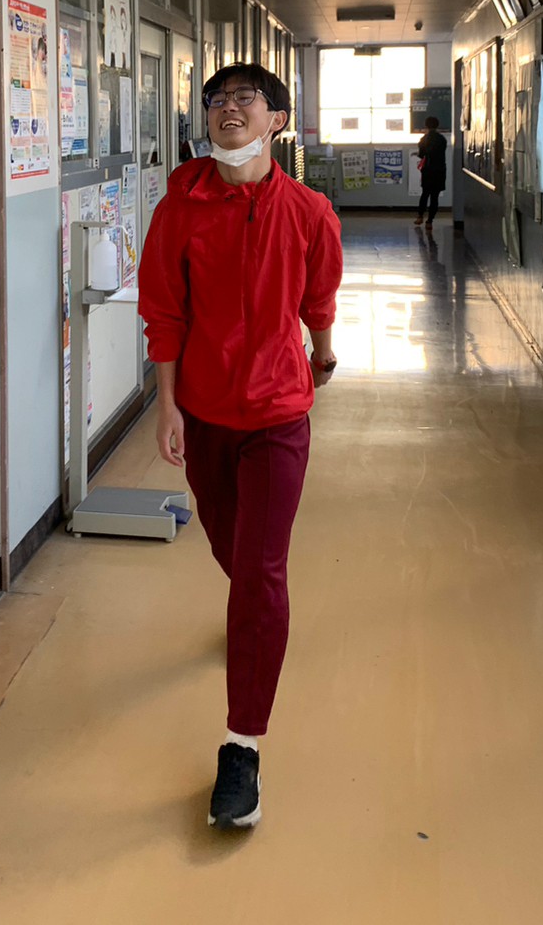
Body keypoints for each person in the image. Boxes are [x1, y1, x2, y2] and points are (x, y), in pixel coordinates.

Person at [138, 62, 343, 832]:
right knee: (230, 547)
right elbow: (163, 310)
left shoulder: (308, 211)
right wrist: (167, 405)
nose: (227, 109)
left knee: (258, 568)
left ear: (275, 119)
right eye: (216, 100)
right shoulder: (180, 209)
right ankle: (255, 615)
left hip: (278, 415)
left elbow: (317, 295)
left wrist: (321, 351)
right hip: (205, 413)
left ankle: (241, 747)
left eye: (244, 99)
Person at [414, 115, 448, 230]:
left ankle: (420, 217)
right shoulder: (442, 139)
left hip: (428, 170)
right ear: (437, 125)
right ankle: (429, 221)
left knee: (425, 194)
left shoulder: (424, 139)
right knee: (435, 197)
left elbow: (421, 155)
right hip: (440, 170)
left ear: (426, 125)